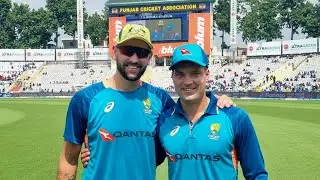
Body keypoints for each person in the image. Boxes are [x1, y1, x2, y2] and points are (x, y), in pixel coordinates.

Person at [57, 24, 235, 180]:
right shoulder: (85, 99)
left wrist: (217, 101)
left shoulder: (161, 100)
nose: (134, 59)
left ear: (149, 57)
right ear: (115, 51)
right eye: (127, 50)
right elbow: (68, 159)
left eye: (141, 53)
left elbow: (190, 121)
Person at [159, 44, 268, 179]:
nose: (187, 81)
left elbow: (257, 174)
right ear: (173, 77)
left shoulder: (235, 117)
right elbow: (145, 159)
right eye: (180, 74)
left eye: (195, 74)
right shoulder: (164, 120)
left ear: (207, 75)